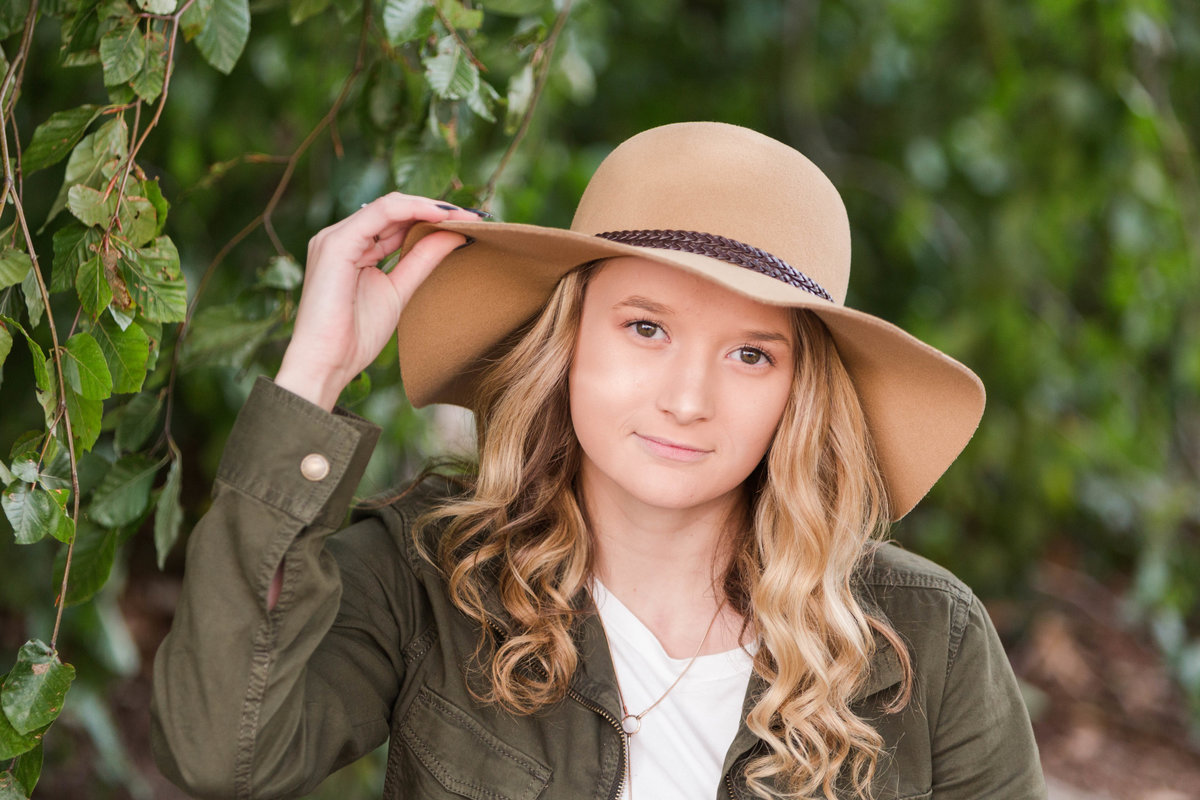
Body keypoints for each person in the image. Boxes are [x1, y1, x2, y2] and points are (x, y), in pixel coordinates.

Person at [151, 122, 1046, 799]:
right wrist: (316, 377)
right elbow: (223, 751)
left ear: (800, 393)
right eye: (646, 328)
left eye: (751, 354)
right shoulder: (429, 576)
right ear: (568, 340)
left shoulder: (926, 643)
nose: (688, 398)